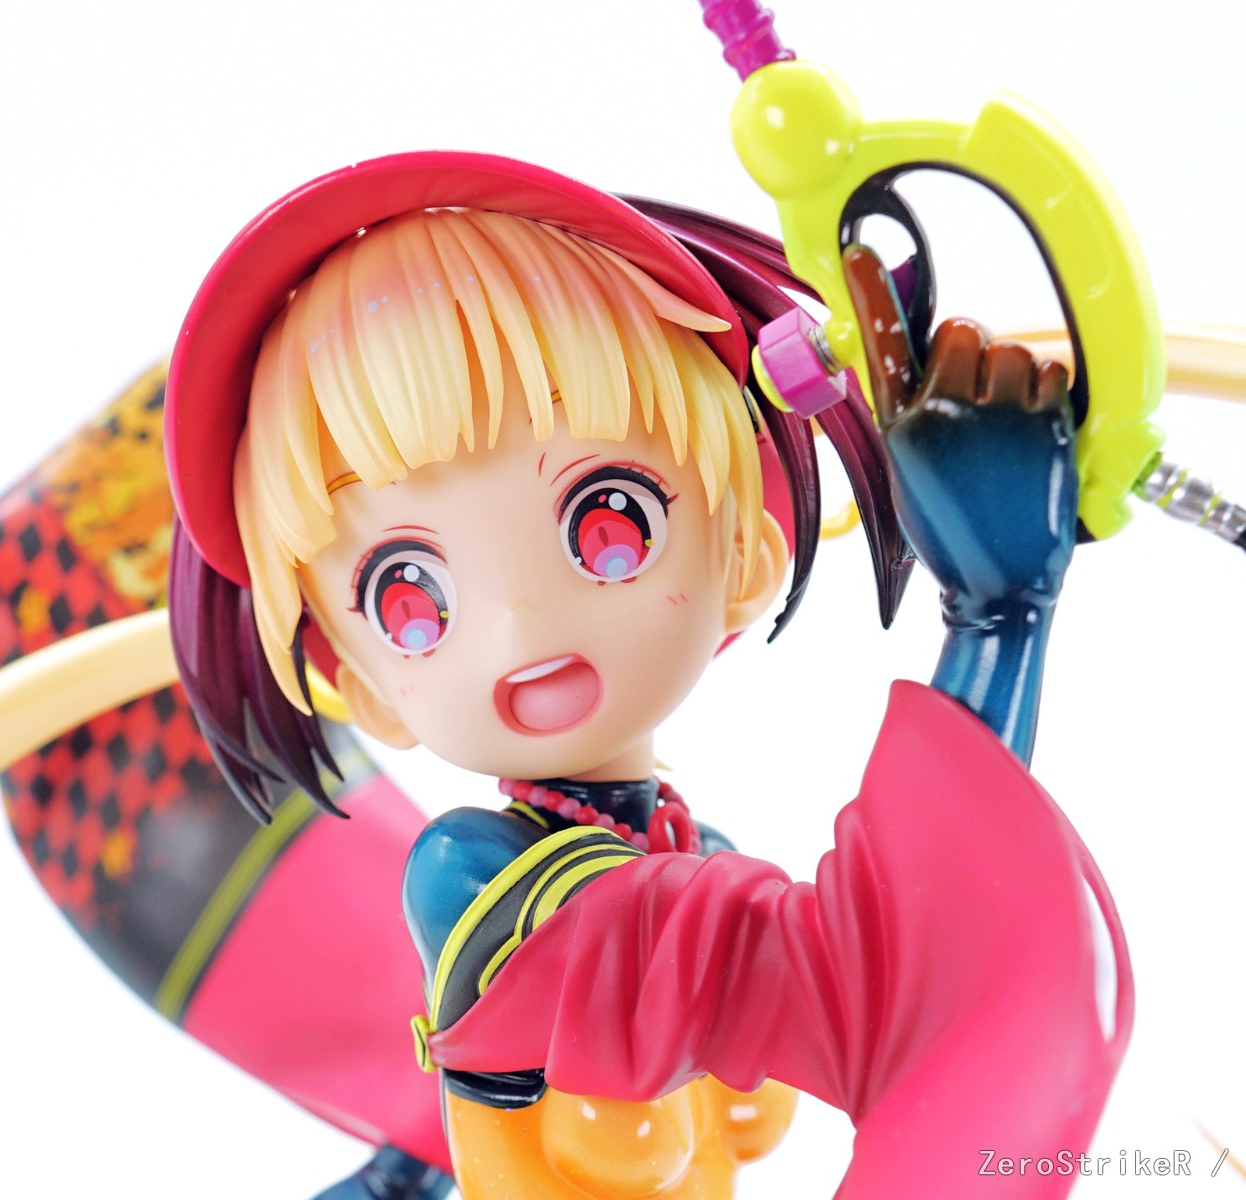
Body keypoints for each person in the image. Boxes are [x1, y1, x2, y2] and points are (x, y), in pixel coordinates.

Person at [163, 150, 1130, 1199]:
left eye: (608, 524)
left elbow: (912, 983)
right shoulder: (477, 876)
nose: (521, 625)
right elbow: (872, 962)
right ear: (359, 690)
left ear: (743, 556)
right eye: (410, 599)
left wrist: (999, 618)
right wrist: (995, 621)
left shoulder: (704, 863)